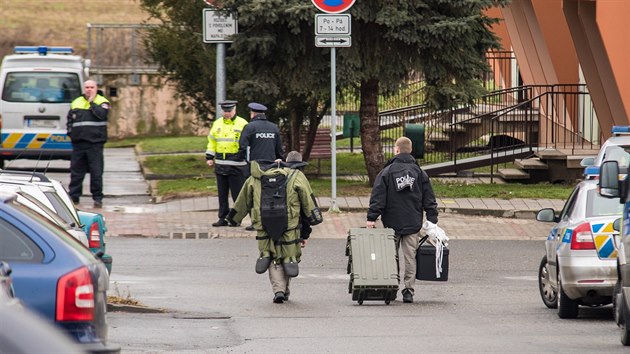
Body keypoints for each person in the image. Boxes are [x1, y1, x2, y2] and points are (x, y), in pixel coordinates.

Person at [226, 152, 323, 304]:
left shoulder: (256, 176)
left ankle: (278, 289)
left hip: (263, 223)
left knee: (271, 256)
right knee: (288, 256)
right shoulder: (297, 175)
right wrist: (312, 222)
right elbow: (307, 202)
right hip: (290, 225)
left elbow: (243, 200)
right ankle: (284, 289)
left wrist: (233, 218)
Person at [366, 136, 439, 304]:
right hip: (413, 222)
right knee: (410, 257)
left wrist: (372, 217)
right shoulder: (420, 173)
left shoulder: (387, 172)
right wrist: (432, 220)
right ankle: (408, 290)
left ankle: (391, 286)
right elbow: (429, 199)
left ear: (396, 150)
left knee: (391, 256)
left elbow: (378, 196)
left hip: (391, 222)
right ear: (411, 150)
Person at [238, 102, 284, 231]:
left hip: (255, 166)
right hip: (271, 166)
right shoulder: (273, 127)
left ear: (252, 113)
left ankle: (255, 221)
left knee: (254, 194)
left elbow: (242, 147)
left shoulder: (250, 127)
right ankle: (268, 220)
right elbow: (279, 149)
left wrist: (242, 159)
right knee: (268, 194)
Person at [66, 80, 110, 208]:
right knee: (76, 173)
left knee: (96, 172)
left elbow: (102, 115)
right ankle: (74, 197)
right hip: (79, 143)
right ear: (83, 88)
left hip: (95, 144)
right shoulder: (76, 102)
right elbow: (70, 121)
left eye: (92, 87)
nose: (89, 89)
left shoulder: (102, 102)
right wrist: (71, 134)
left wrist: (91, 102)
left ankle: (97, 198)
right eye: (87, 87)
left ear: (96, 88)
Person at [206, 100, 249, 227]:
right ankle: (223, 218)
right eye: (225, 111)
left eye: (230, 111)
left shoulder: (243, 123)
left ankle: (236, 219)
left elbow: (247, 143)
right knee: (222, 195)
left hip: (237, 165)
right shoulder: (217, 123)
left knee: (237, 195)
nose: (227, 113)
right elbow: (212, 141)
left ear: (235, 109)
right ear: (222, 111)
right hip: (220, 163)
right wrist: (209, 156)